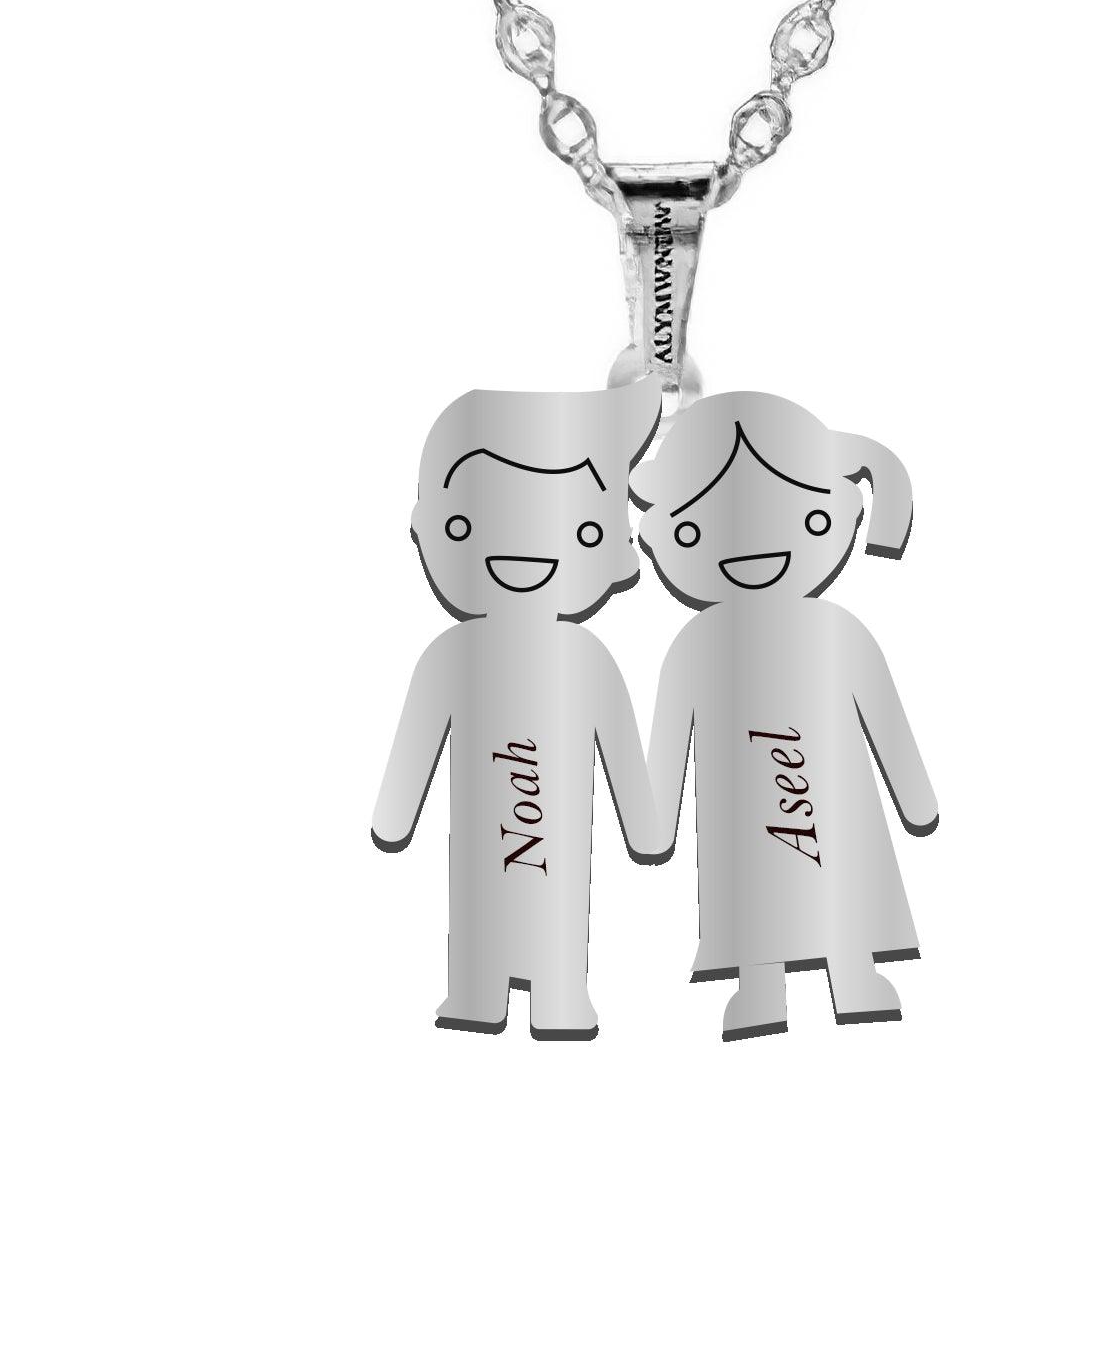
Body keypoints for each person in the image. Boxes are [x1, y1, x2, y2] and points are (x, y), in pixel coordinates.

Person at [633, 392, 937, 1040]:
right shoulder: (696, 644)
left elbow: (883, 716)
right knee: (752, 891)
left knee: (843, 876)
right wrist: (653, 821)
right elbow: (671, 734)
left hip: (832, 798)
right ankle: (761, 986)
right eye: (694, 531)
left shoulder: (836, 630)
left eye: (807, 519)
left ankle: (852, 973)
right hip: (740, 808)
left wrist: (916, 797)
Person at [371, 381, 665, 1038]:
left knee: (555, 915)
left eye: (581, 530)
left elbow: (619, 745)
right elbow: (418, 741)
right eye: (468, 525)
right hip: (488, 856)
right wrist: (394, 814)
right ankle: (478, 993)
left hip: (555, 855)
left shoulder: (584, 657)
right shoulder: (452, 655)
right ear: (429, 527)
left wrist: (646, 829)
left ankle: (560, 996)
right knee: (482, 913)